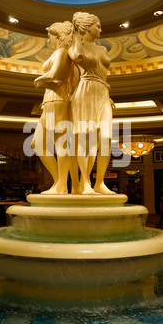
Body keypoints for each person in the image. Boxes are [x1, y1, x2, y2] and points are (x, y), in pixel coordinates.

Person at [68, 11, 115, 195]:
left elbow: (104, 73)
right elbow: (77, 57)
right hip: (85, 91)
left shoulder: (102, 49)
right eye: (97, 26)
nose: (100, 30)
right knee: (85, 138)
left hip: (103, 91)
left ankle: (100, 182)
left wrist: (108, 95)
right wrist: (77, 36)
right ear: (86, 27)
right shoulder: (76, 47)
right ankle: (85, 182)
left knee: (106, 138)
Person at [33, 21, 80, 194]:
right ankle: (59, 182)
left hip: (58, 99)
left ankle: (61, 185)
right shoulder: (57, 52)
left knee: (60, 141)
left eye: (49, 37)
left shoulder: (62, 51)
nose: (48, 41)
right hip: (51, 99)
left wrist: (39, 79)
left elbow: (56, 74)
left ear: (58, 36)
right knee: (37, 143)